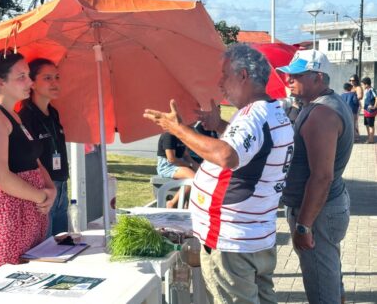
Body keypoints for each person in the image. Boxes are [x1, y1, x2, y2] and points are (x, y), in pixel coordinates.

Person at [144, 43, 294, 303]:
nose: (220, 82)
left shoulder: (252, 116)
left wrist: (177, 129)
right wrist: (220, 125)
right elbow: (254, 150)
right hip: (253, 236)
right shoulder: (271, 112)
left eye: (225, 74)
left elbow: (226, 155)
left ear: (243, 75)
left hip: (232, 241)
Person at [0, 49, 56, 282]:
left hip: (28, 209)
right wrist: (40, 197)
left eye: (28, 75)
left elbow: (34, 160)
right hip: (4, 211)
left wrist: (50, 190)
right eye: (22, 76)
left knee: (29, 277)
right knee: (5, 279)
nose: (30, 81)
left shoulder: (15, 116)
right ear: (0, 82)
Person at [276, 49, 353, 304]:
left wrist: (303, 225)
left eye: (297, 76)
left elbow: (321, 176)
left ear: (318, 77)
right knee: (330, 276)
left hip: (317, 213)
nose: (289, 81)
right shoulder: (324, 105)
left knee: (322, 286)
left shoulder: (321, 114)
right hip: (327, 206)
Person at [19, 58, 70, 236]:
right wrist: (48, 189)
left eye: (57, 77)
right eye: (47, 78)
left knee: (63, 243)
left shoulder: (54, 112)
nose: (55, 83)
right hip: (44, 191)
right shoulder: (25, 117)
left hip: (62, 185)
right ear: (31, 83)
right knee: (45, 247)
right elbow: (30, 158)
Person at [156, 131, 198, 208]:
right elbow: (171, 159)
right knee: (193, 178)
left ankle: (187, 204)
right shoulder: (169, 135)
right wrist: (190, 165)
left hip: (180, 162)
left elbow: (186, 155)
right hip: (167, 166)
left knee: (201, 175)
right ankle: (172, 203)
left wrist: (199, 168)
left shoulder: (183, 134)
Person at [361, 77, 377, 144]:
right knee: (367, 124)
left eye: (363, 84)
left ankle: (371, 139)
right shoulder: (366, 91)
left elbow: (376, 98)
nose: (362, 86)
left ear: (366, 84)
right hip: (366, 110)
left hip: (371, 111)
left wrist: (374, 106)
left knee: (371, 125)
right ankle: (369, 137)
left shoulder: (372, 90)